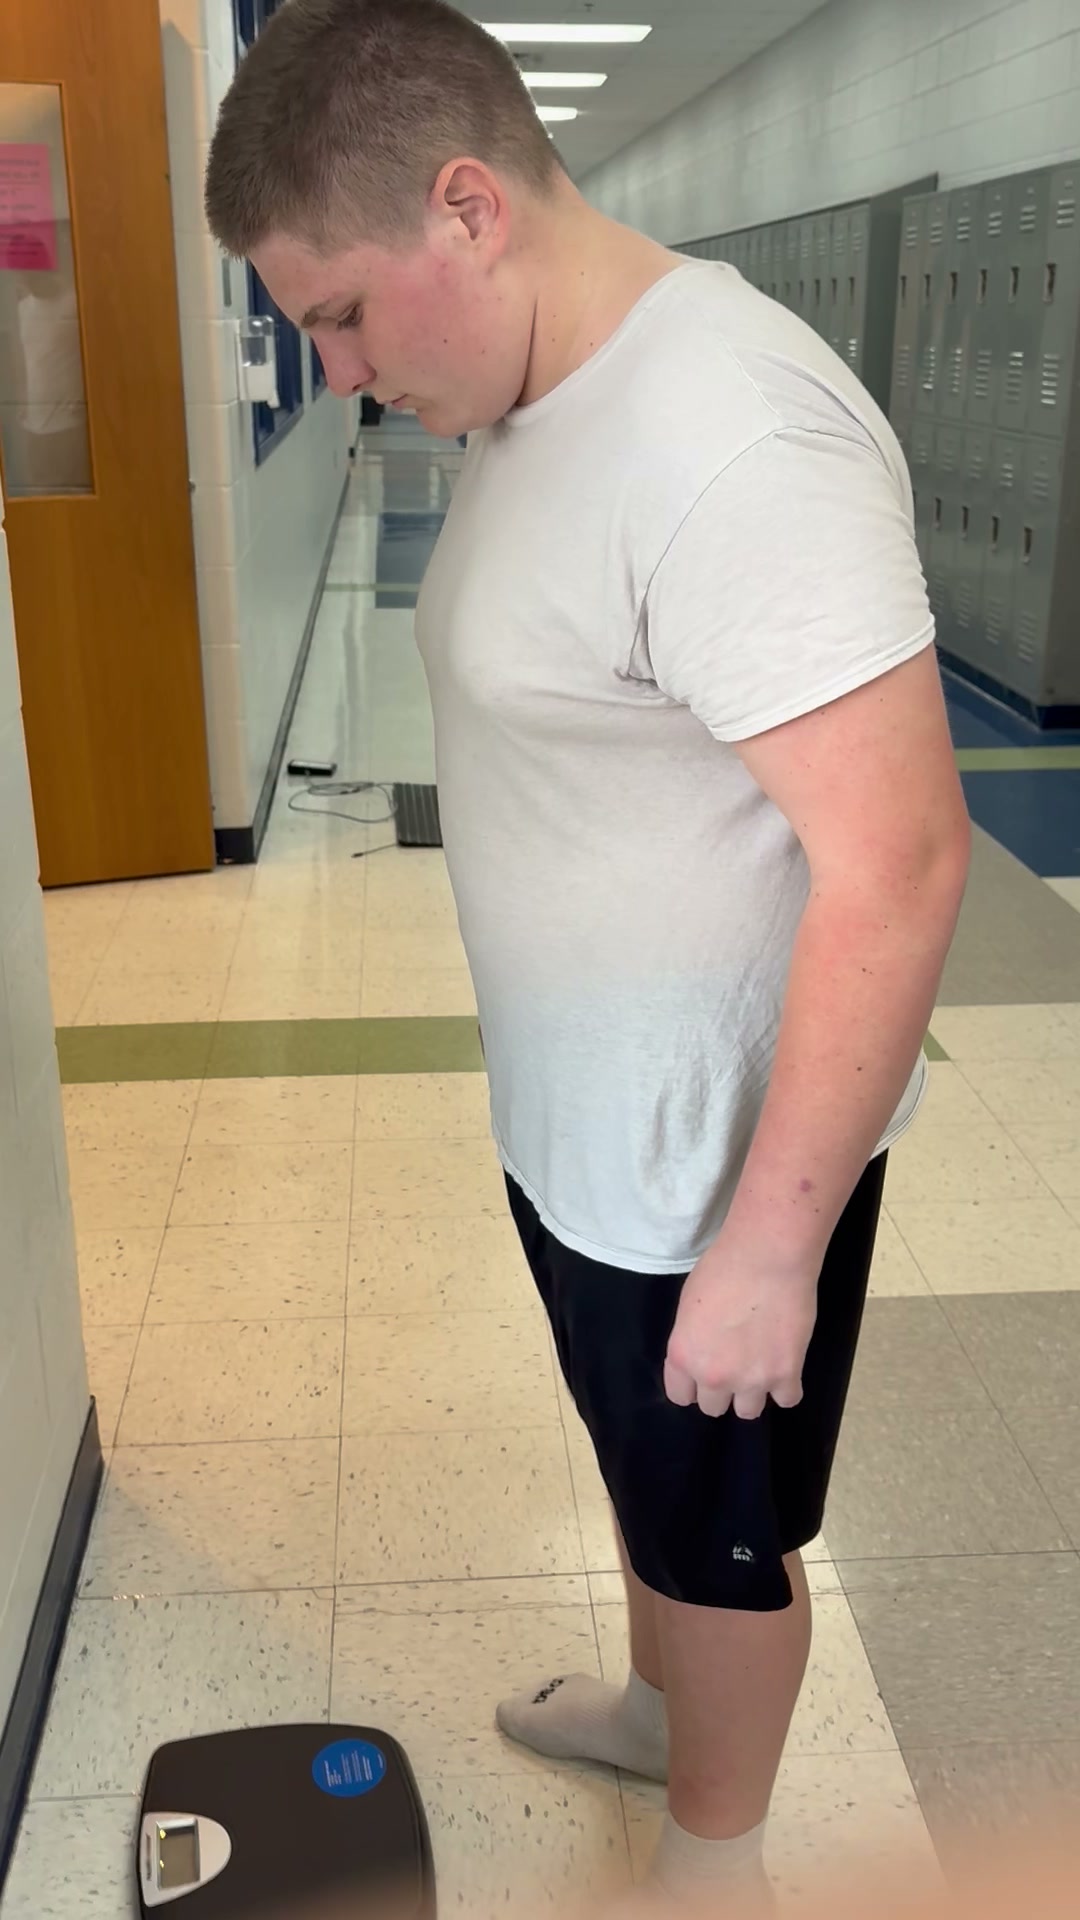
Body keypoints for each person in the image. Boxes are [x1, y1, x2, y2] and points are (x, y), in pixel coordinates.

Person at [205, 3, 971, 1911]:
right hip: (587, 1134)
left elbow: (899, 867)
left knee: (722, 1544)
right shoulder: (538, 391)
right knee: (644, 1475)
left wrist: (769, 1250)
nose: (337, 369)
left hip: (709, 1172)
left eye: (342, 315)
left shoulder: (736, 439)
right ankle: (654, 1718)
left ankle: (721, 1858)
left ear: (468, 208)